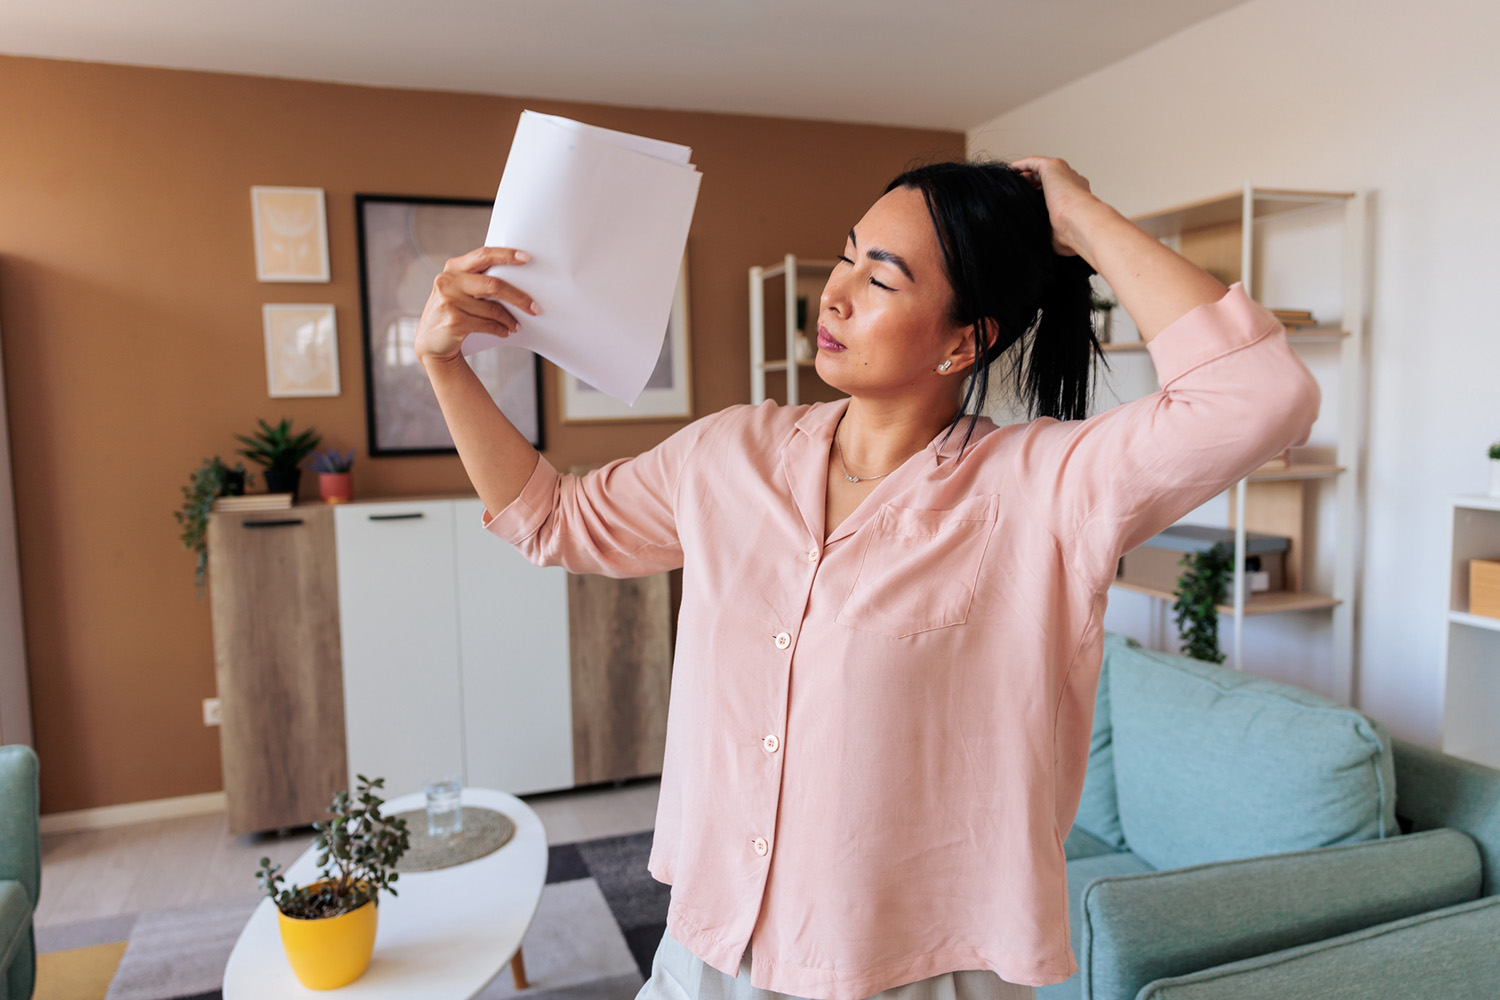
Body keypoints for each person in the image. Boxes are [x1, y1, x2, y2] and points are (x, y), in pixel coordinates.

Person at [415, 156, 1321, 1000]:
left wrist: (1078, 214)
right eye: (845, 259)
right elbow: (554, 520)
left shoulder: (1042, 490)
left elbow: (1258, 396)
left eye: (881, 279)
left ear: (964, 343)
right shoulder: (732, 453)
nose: (836, 293)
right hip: (710, 948)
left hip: (908, 968)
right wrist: (445, 363)